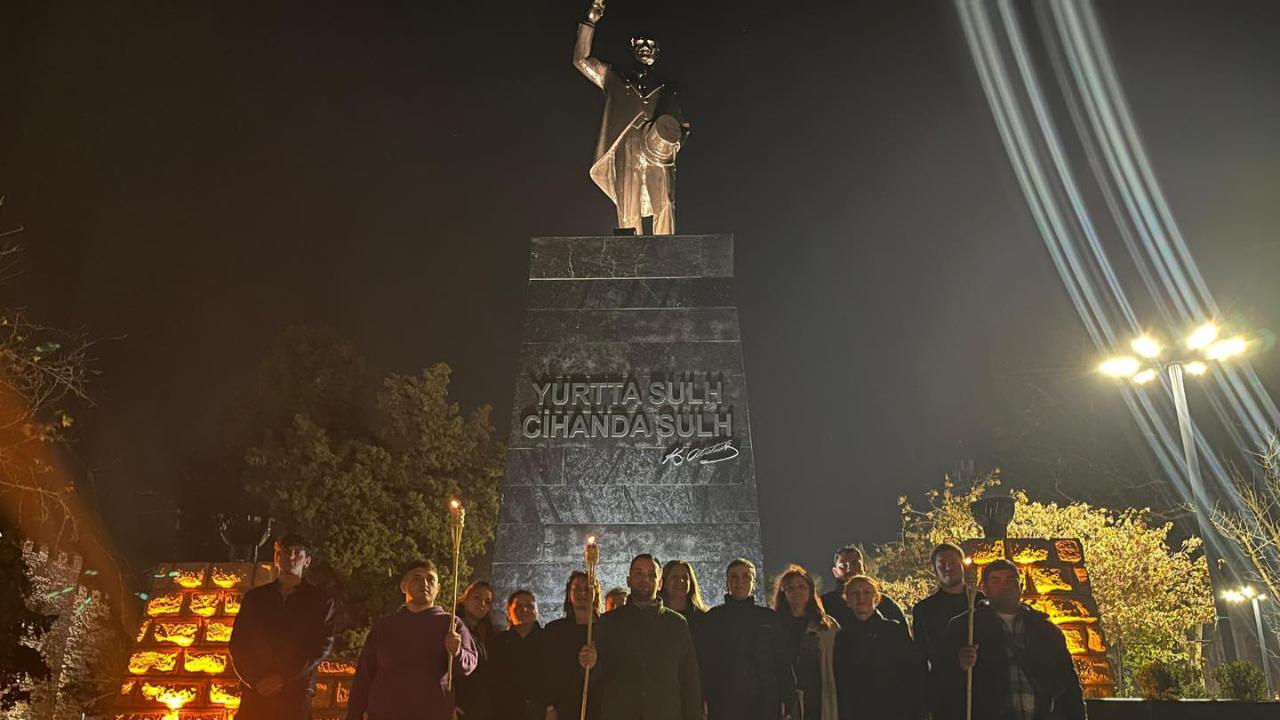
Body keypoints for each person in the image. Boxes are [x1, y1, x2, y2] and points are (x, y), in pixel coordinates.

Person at [573, 0, 688, 235]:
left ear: (657, 51)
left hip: (656, 147)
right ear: (632, 47)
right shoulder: (614, 76)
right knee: (628, 204)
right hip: (625, 143)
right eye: (640, 43)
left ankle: (667, 248)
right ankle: (630, 251)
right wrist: (590, 21)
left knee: (665, 202)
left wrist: (670, 146)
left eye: (651, 44)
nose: (645, 47)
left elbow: (682, 126)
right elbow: (581, 60)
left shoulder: (667, 87)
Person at [946, 559, 1085, 720]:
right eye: (996, 580)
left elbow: (1069, 684)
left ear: (1021, 586)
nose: (1005, 585)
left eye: (1011, 580)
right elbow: (944, 681)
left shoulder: (1046, 630)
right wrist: (958, 665)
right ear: (984, 589)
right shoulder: (965, 628)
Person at [345, 560, 478, 720]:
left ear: (438, 588)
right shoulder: (385, 626)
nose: (424, 583)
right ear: (404, 586)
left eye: (430, 579)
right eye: (417, 578)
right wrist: (354, 714)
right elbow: (364, 675)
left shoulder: (451, 625)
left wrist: (457, 652)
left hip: (432, 714)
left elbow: (469, 664)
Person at [578, 554, 702, 720]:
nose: (645, 579)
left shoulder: (677, 624)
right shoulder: (608, 623)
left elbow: (689, 680)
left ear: (660, 583)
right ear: (628, 580)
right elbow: (594, 679)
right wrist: (589, 664)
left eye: (651, 575)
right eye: (639, 573)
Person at [230, 533, 336, 720]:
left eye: (298, 553)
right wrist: (254, 679)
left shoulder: (320, 601)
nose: (291, 557)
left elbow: (321, 645)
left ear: (307, 561)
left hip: (295, 690)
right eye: (286, 552)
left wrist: (283, 677)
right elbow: (238, 642)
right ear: (276, 557)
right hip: (256, 689)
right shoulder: (255, 598)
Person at [699, 558, 789, 720]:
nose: (740, 582)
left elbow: (782, 661)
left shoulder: (769, 618)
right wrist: (703, 697)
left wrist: (786, 698)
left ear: (754, 584)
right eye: (734, 577)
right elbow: (703, 662)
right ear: (727, 583)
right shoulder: (712, 619)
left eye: (746, 577)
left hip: (765, 702)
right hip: (723, 702)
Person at [831, 575, 921, 720]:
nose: (861, 597)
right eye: (855, 593)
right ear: (847, 600)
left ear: (876, 598)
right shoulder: (842, 637)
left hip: (893, 710)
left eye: (867, 592)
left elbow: (912, 673)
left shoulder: (894, 631)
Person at [912, 543, 979, 720]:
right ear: (935, 570)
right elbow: (921, 657)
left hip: (983, 692)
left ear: (962, 565)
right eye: (942, 563)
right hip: (944, 696)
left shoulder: (980, 602)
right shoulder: (924, 610)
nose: (948, 567)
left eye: (953, 562)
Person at [773, 564, 839, 720]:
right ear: (783, 592)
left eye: (802, 587)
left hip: (818, 697)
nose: (796, 591)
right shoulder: (774, 626)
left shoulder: (827, 627)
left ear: (810, 590)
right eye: (791, 588)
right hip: (786, 699)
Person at [543, 571, 602, 720]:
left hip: (599, 705)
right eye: (577, 589)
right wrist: (550, 706)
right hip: (565, 705)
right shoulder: (554, 630)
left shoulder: (607, 628)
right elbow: (547, 670)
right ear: (569, 594)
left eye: (587, 589)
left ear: (595, 594)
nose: (582, 593)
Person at [821, 545, 907, 631]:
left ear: (864, 568)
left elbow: (902, 635)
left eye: (855, 564)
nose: (849, 569)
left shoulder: (885, 604)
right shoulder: (824, 605)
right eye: (843, 566)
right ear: (835, 572)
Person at [491, 590, 546, 720]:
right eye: (519, 606)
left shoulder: (548, 639)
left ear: (537, 610)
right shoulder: (498, 642)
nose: (524, 610)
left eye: (529, 605)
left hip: (539, 712)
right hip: (505, 711)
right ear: (509, 612)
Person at [454, 581, 497, 720]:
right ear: (464, 600)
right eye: (477, 597)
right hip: (460, 705)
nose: (482, 604)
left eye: (487, 602)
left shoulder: (486, 632)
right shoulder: (452, 628)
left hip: (480, 706)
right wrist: (450, 702)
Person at [659, 560, 709, 625]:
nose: (681, 580)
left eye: (685, 577)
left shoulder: (704, 617)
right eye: (674, 577)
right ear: (663, 582)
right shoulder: (656, 615)